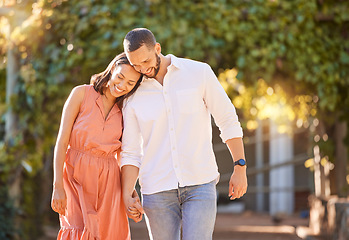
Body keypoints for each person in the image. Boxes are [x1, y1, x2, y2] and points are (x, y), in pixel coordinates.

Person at [120, 28, 248, 240]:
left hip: (200, 183)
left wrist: (240, 166)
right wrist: (127, 192)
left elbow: (227, 119)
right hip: (157, 190)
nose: (143, 69)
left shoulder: (199, 73)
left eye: (146, 61)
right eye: (135, 65)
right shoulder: (132, 95)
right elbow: (131, 152)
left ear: (157, 48)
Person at [51, 52, 144, 240]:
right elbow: (62, 142)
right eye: (120, 77)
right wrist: (57, 186)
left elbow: (125, 154)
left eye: (130, 83)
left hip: (109, 180)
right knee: (77, 229)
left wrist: (129, 191)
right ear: (111, 70)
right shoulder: (81, 93)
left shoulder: (126, 109)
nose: (122, 85)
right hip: (75, 175)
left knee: (108, 233)